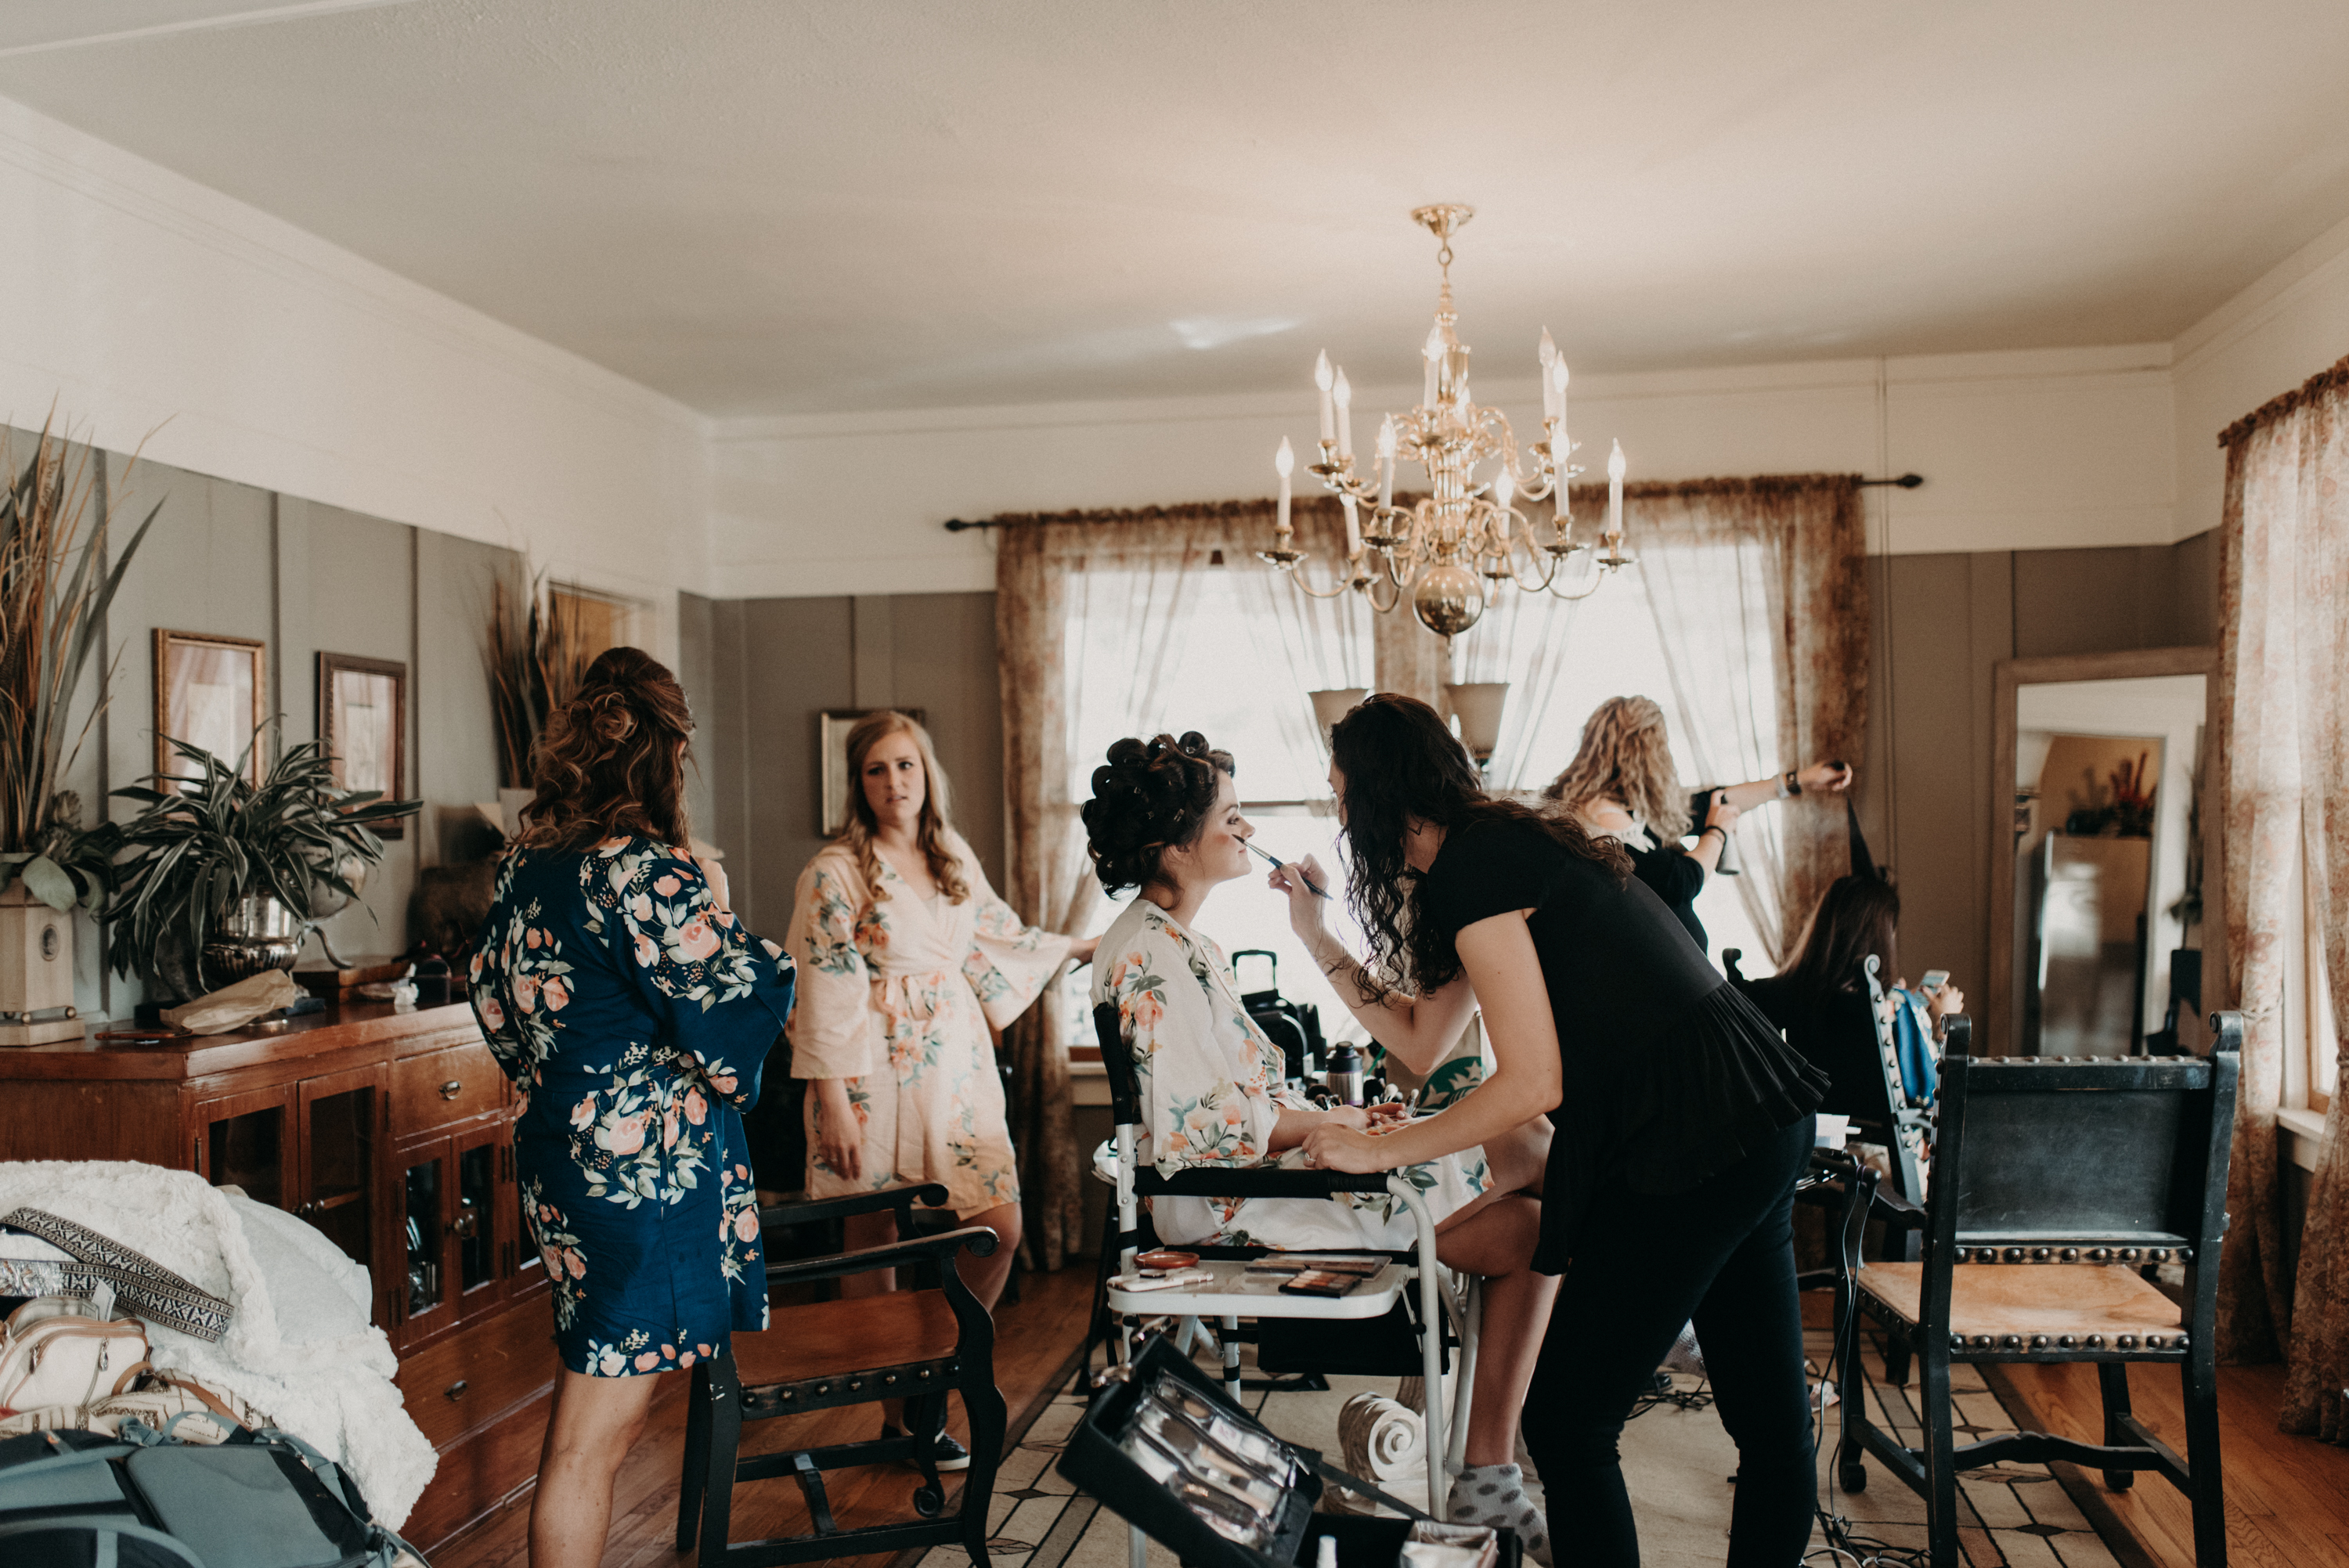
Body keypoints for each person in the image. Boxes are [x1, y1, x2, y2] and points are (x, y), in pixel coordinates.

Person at [1281, 694, 1828, 1568]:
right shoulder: (1491, 849)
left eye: (1342, 794)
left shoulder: (1477, 864)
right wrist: (1315, 933)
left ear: (1381, 797)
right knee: (1769, 1423)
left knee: (1569, 1418)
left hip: (1692, 1134)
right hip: (1755, 1109)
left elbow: (1534, 1081)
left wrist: (1379, 1148)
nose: (1341, 817)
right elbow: (1423, 1040)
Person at [1081, 731, 1561, 1560]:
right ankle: (1560, 1395)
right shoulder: (1150, 955)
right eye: (1231, 816)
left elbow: (1248, 1101)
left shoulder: (1181, 943)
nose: (1247, 828)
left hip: (1257, 1170)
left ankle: (1508, 1447)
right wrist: (1334, 1129)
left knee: (1528, 1168)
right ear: (1174, 845)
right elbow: (1210, 1129)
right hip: (1226, 1196)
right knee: (1531, 1201)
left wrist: (1345, 1120)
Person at [470, 647, 795, 1568]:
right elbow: (733, 1008)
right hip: (644, 1178)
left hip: (565, 1161)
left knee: (594, 1411)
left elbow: (496, 1004)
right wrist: (723, 906)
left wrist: (575, 1079)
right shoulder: (650, 874)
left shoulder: (524, 866)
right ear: (670, 750)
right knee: (592, 1436)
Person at [786, 710, 1095, 1463]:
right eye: (877, 769)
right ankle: (901, 1417)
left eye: (906, 765)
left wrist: (1077, 946)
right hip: (866, 1070)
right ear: (858, 783)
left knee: (999, 1226)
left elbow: (1002, 938)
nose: (894, 781)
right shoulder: (835, 871)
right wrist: (833, 1102)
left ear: (927, 773)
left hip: (954, 1063)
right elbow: (821, 985)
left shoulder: (951, 855)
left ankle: (933, 1370)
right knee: (873, 1237)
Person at [1543, 694, 1854, 952]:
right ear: (1646, 753)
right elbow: (1680, 882)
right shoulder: (1602, 816)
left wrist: (1802, 779)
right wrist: (1717, 832)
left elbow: (1713, 802)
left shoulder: (1625, 808)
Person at [1745, 874, 1963, 1113]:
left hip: (1817, 1124)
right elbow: (1929, 1094)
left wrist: (1902, 1005)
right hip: (1883, 1134)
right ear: (1882, 936)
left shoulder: (1790, 990)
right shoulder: (1895, 1005)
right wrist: (1944, 1027)